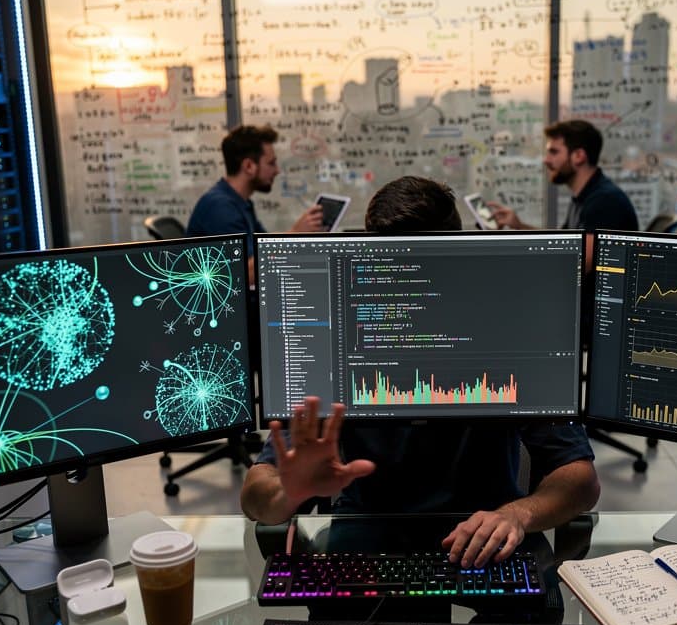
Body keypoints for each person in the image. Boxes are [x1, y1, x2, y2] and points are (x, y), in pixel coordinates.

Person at [240, 176, 601, 569]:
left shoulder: (512, 331)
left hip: (487, 530)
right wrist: (288, 494)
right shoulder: (332, 338)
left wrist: (518, 514)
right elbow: (256, 492)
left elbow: (580, 479)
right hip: (368, 529)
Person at [488, 120, 638, 267]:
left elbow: (576, 263)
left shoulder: (604, 202)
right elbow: (561, 243)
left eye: (553, 152)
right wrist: (519, 226)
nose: (546, 160)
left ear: (579, 156)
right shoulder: (585, 196)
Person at [187, 125, 324, 279]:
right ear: (249, 166)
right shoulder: (220, 208)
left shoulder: (240, 203)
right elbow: (242, 273)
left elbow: (264, 246)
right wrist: (295, 234)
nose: (277, 170)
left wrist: (301, 235)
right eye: (271, 163)